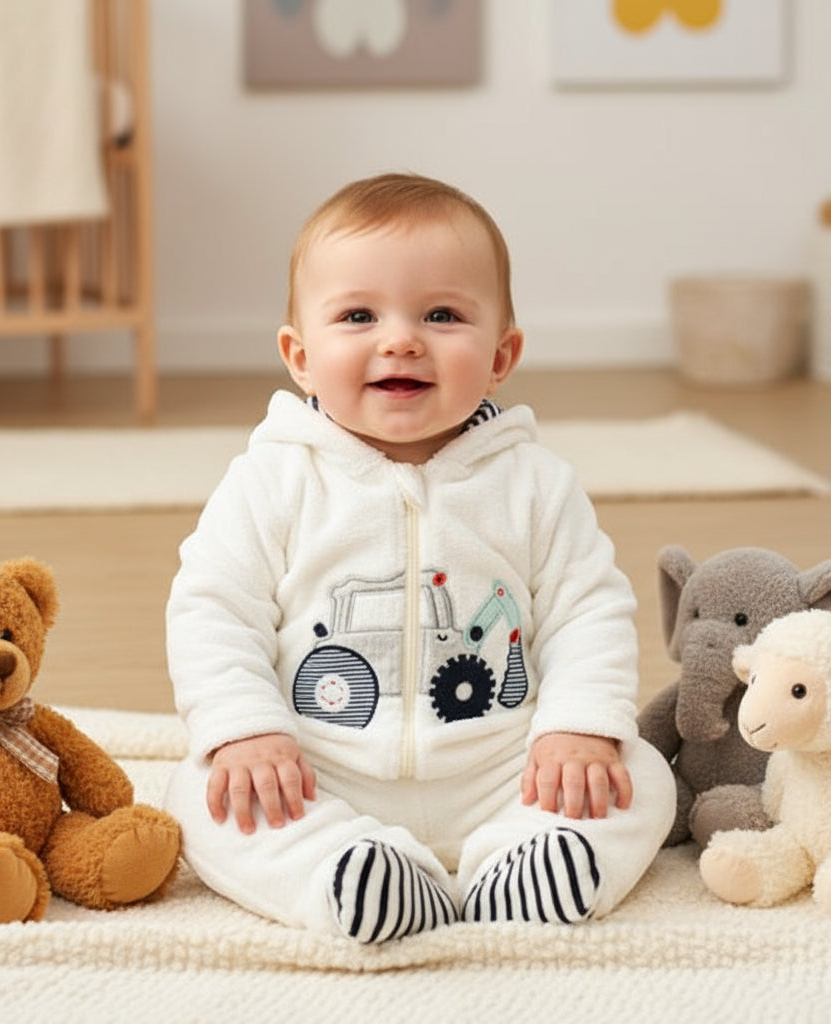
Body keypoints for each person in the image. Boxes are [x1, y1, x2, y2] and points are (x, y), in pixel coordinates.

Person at [164, 172, 675, 943]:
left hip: (507, 766)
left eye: (441, 314)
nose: (399, 338)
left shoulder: (533, 483)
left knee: (639, 776)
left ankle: (526, 861)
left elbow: (588, 609)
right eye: (358, 315)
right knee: (201, 792)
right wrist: (245, 730)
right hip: (319, 766)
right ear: (299, 356)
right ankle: (344, 874)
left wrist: (575, 728)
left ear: (502, 355)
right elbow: (212, 609)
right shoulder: (272, 479)